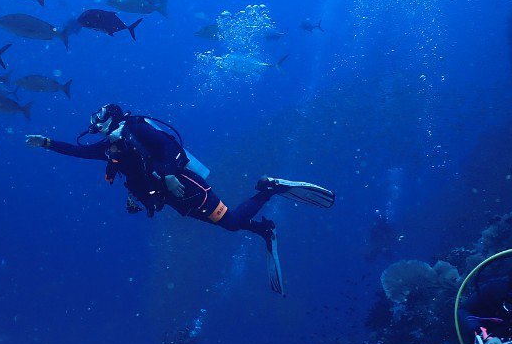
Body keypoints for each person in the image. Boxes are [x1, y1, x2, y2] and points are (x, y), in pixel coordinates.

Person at [25, 103, 335, 295]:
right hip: (176, 200)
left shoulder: (136, 128)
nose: (94, 121)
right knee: (227, 224)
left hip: (187, 188)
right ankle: (263, 229)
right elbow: (78, 151)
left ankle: (269, 188)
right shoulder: (109, 148)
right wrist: (47, 143)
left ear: (112, 117)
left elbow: (170, 147)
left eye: (99, 116)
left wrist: (170, 174)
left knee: (230, 223)